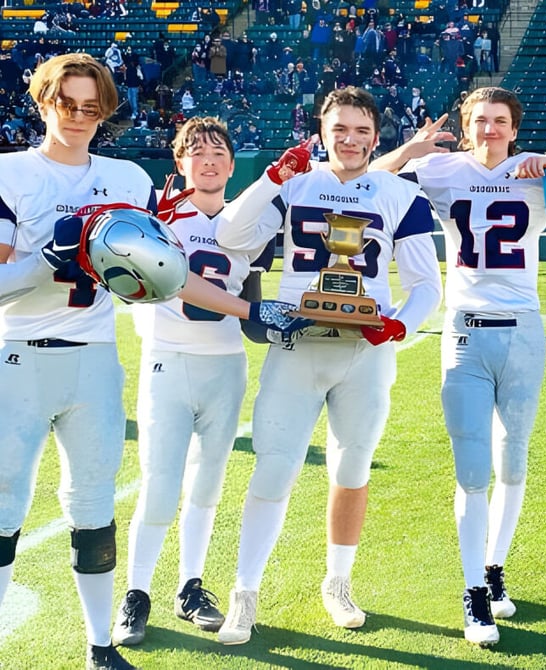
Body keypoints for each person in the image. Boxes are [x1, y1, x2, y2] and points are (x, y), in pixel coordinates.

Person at [0, 53, 309, 670]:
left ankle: (100, 646)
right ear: (42, 102)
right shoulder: (10, 173)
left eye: (92, 107)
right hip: (18, 357)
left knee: (93, 507)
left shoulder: (127, 179)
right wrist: (44, 262)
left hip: (94, 359)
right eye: (67, 104)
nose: (79, 116)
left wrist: (248, 310)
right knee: (6, 507)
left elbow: (171, 275)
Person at [212, 86, 442, 645]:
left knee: (353, 468)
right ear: (321, 131)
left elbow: (426, 286)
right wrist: (271, 177)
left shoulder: (400, 194)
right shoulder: (296, 183)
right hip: (297, 345)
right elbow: (229, 235)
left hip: (365, 352)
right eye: (339, 128)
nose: (350, 140)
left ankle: (338, 582)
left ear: (377, 136)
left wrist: (399, 326)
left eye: (361, 130)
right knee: (273, 468)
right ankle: (245, 591)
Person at [371, 86, 546, 646]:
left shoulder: (536, 174)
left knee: (513, 462)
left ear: (514, 128)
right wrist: (410, 149)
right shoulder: (443, 169)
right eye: (480, 120)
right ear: (465, 127)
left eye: (500, 120)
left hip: (523, 331)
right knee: (472, 470)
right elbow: (366, 181)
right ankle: (473, 591)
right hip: (465, 332)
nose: (490, 129)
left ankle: (494, 565)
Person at [110, 117, 280, 647]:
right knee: (160, 486)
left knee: (206, 486)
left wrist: (286, 321)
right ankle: (136, 593)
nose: (208, 160)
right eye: (197, 152)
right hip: (168, 361)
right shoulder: (158, 219)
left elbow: (251, 307)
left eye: (218, 152)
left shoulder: (248, 225)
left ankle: (190, 586)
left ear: (232, 166)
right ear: (180, 162)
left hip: (226, 367)